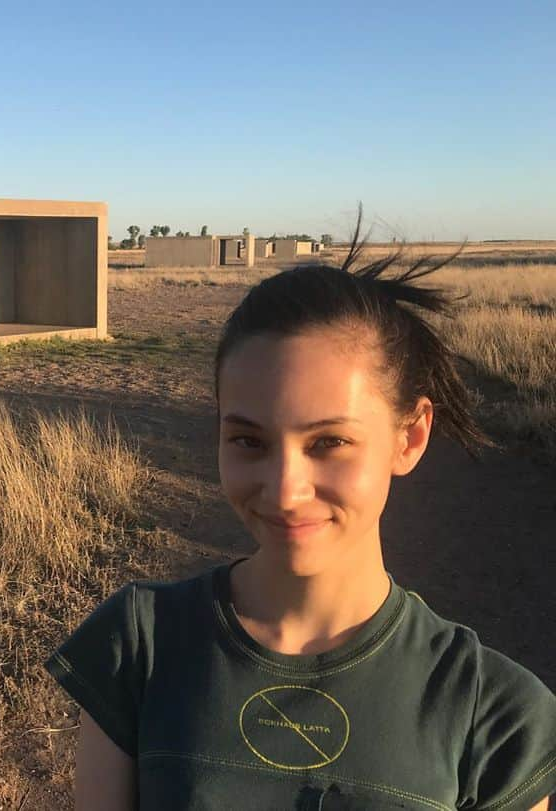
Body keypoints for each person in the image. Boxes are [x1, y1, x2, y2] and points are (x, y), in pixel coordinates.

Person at [45, 222, 556, 810]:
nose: (285, 492)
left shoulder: (491, 715)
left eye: (329, 443)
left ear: (409, 438)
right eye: (248, 441)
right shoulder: (140, 645)